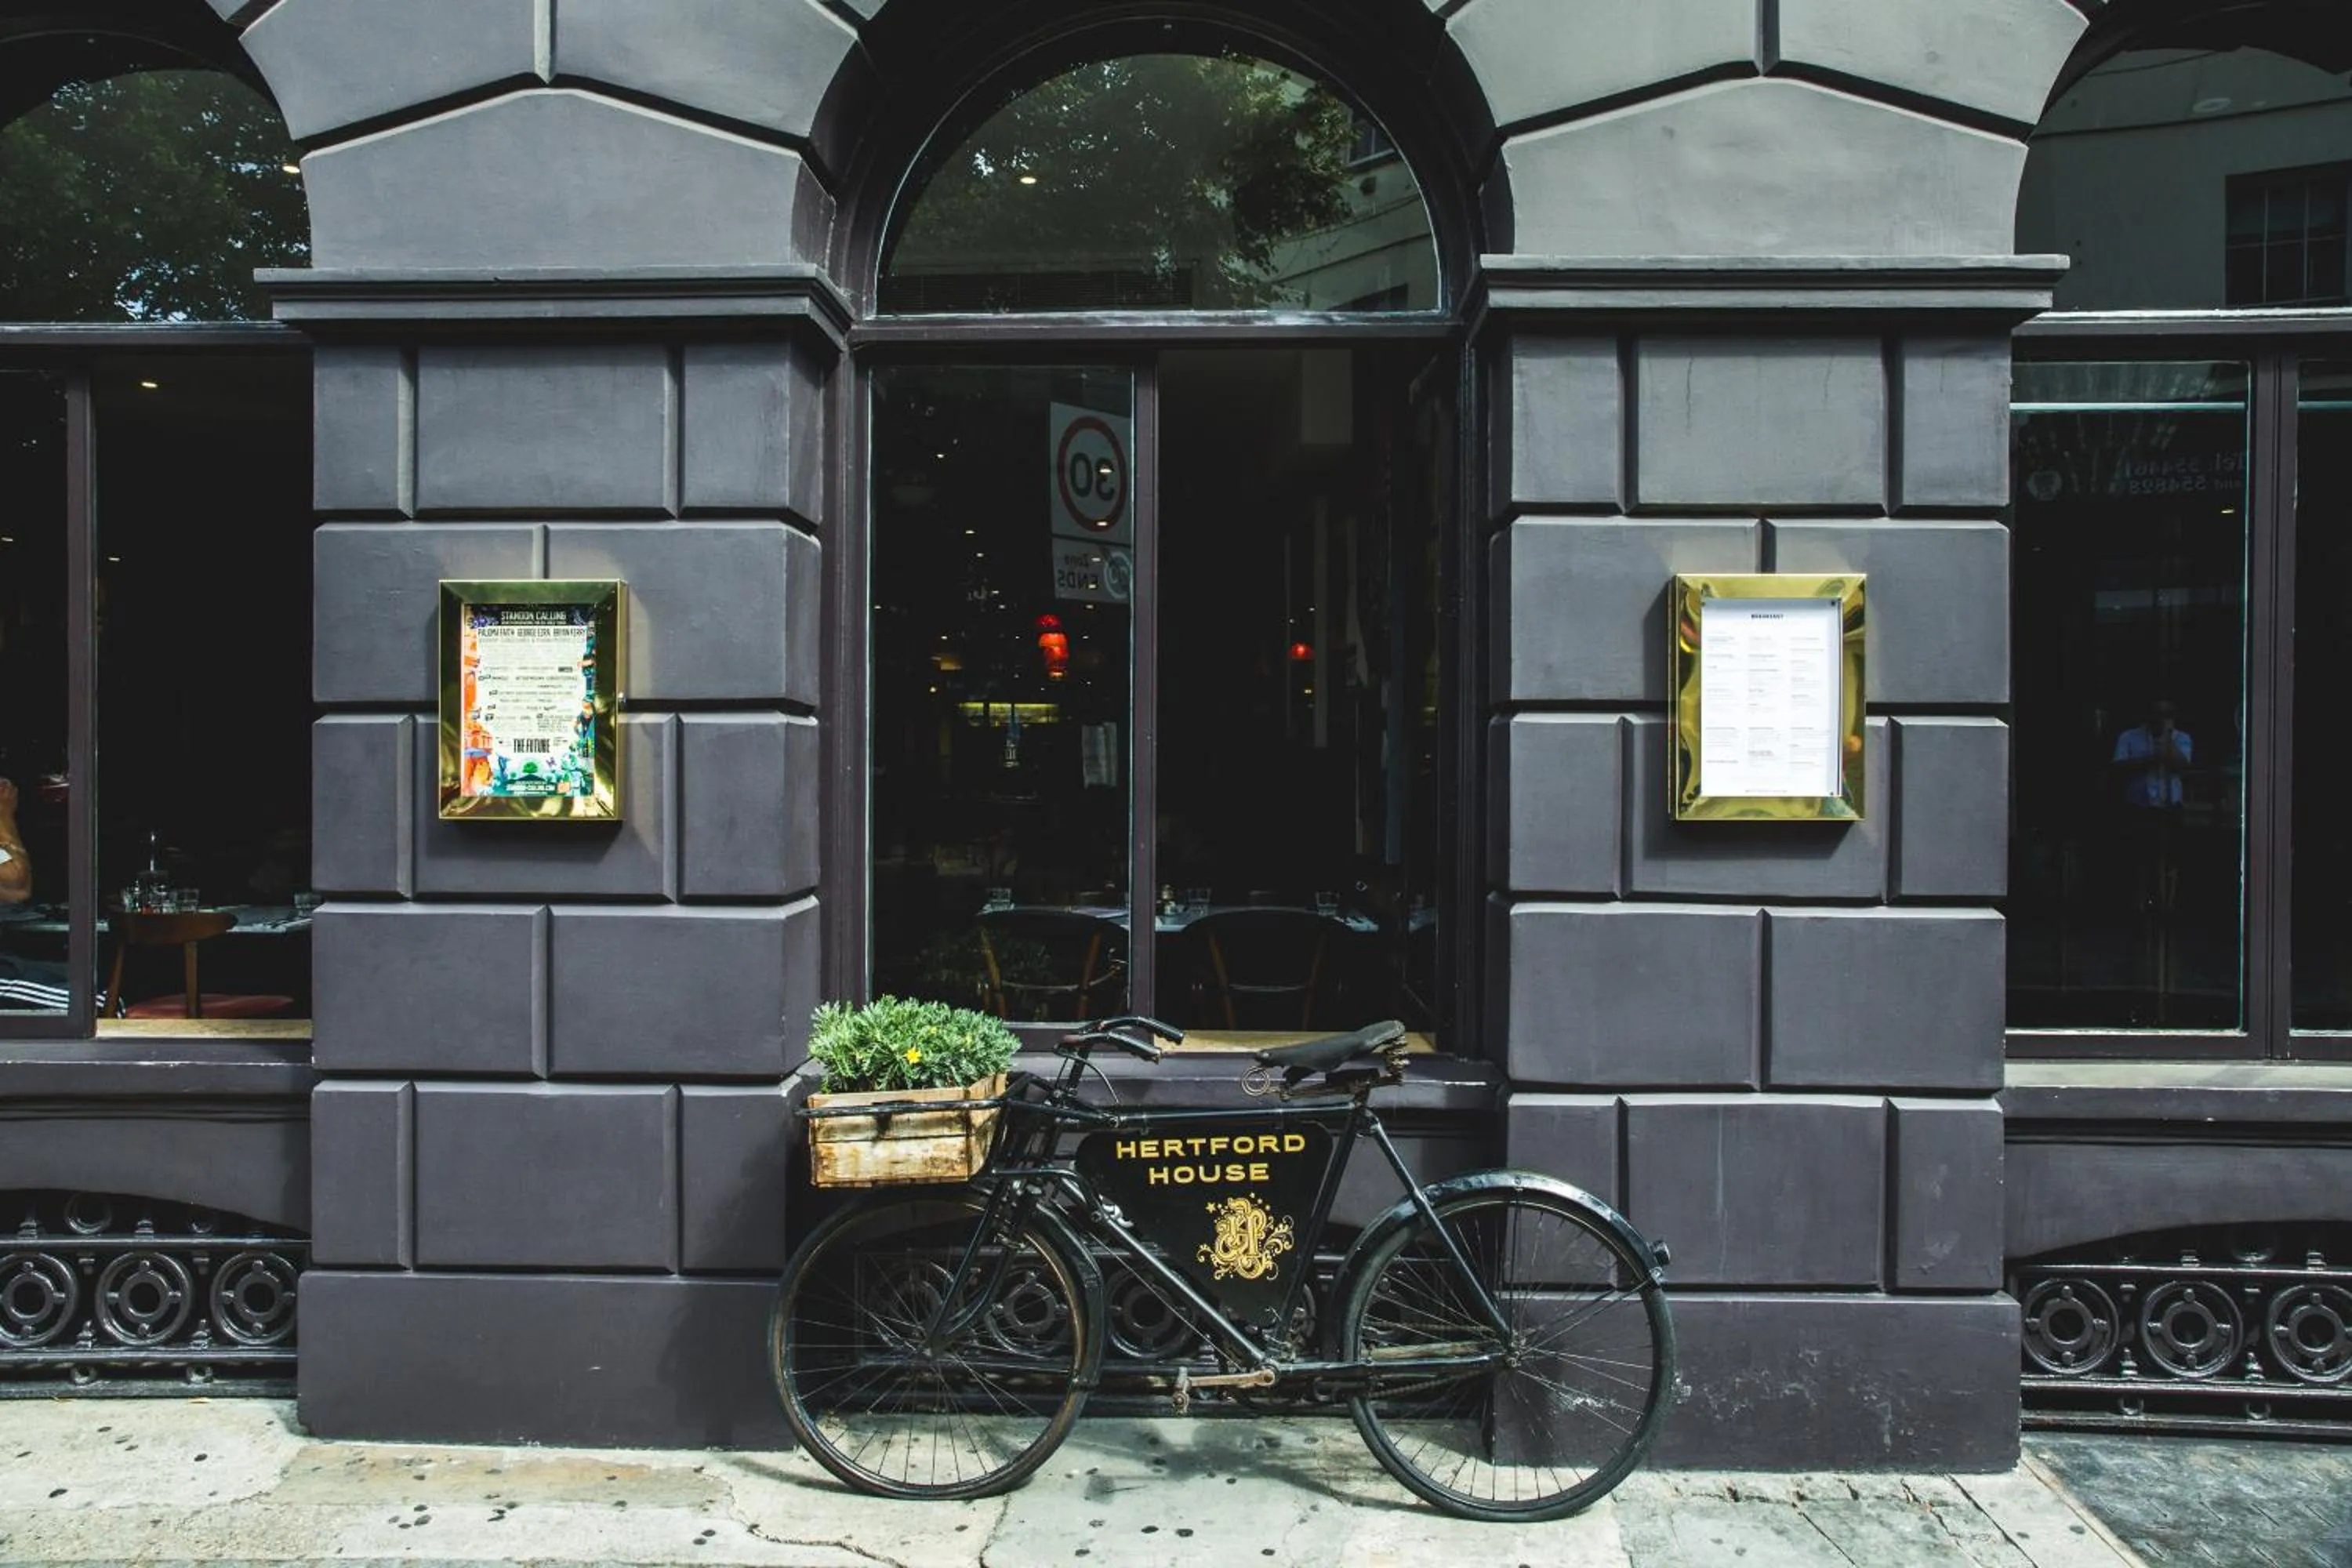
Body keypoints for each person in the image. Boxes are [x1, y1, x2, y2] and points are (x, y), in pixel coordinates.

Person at [0, 776, 71, 1011]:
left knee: (86, 976)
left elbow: (19, 890)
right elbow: (16, 880)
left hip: (8, 960)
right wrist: (3, 815)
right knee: (91, 999)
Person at [2113, 699, 2192, 809]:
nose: (2161, 719)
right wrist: (2148, 761)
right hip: (2138, 805)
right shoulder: (2128, 737)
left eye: (2167, 715)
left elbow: (2182, 766)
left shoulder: (2182, 738)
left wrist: (2167, 736)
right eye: (2158, 714)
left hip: (2171, 805)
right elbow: (2118, 769)